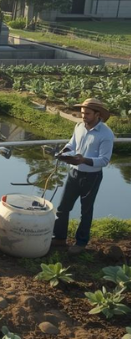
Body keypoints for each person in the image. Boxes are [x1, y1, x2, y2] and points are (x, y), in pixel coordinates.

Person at [52, 98, 115, 255]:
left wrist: (84, 159)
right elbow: (72, 144)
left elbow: (104, 160)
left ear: (97, 114)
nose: (83, 116)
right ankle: (59, 238)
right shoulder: (79, 126)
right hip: (74, 173)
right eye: (82, 113)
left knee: (85, 210)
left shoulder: (106, 134)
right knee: (62, 208)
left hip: (91, 177)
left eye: (87, 113)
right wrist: (64, 152)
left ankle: (81, 242)